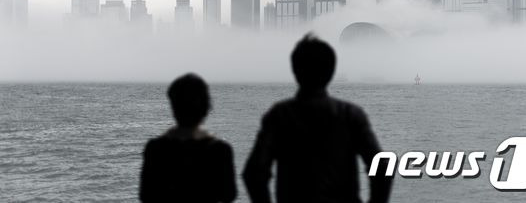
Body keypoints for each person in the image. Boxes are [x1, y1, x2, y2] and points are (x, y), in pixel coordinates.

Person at [243, 34, 392, 203]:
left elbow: (254, 173)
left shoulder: (279, 116)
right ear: (331, 71)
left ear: (295, 70)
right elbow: (382, 167)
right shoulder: (351, 115)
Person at [140, 73, 237, 203]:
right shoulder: (220, 150)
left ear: (174, 108)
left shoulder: (155, 148)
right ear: (206, 108)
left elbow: (146, 196)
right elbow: (228, 195)